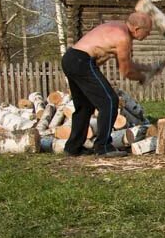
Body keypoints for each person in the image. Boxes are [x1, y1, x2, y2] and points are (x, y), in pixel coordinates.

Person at [61, 12, 154, 157]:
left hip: (70, 58)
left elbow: (123, 63)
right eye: (147, 32)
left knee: (84, 106)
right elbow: (125, 71)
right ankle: (103, 146)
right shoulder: (123, 38)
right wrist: (142, 78)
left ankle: (73, 147)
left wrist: (146, 68)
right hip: (82, 61)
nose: (148, 35)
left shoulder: (116, 28)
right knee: (110, 101)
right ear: (137, 29)